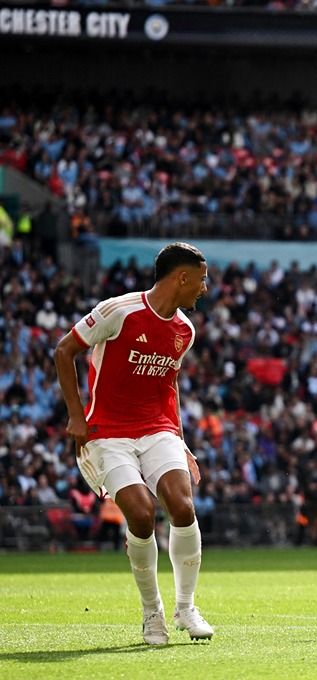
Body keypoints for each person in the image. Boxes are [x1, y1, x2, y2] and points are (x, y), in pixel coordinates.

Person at [53, 242, 213, 646]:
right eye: (202, 278)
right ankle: (152, 614)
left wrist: (180, 439)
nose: (205, 288)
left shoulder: (185, 330)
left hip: (158, 427)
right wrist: (76, 415)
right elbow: (64, 350)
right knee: (141, 515)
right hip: (109, 431)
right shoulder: (118, 311)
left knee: (182, 505)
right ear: (182, 277)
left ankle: (186, 607)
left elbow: (168, 386)